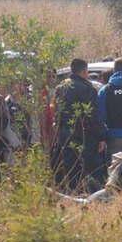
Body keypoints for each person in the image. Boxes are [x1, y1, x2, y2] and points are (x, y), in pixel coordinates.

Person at [52, 59, 107, 192]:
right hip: (85, 135)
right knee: (91, 170)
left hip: (65, 134)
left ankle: (74, 195)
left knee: (71, 170)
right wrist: (101, 137)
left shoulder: (61, 87)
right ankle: (91, 197)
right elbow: (92, 115)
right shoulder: (87, 88)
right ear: (84, 71)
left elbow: (56, 112)